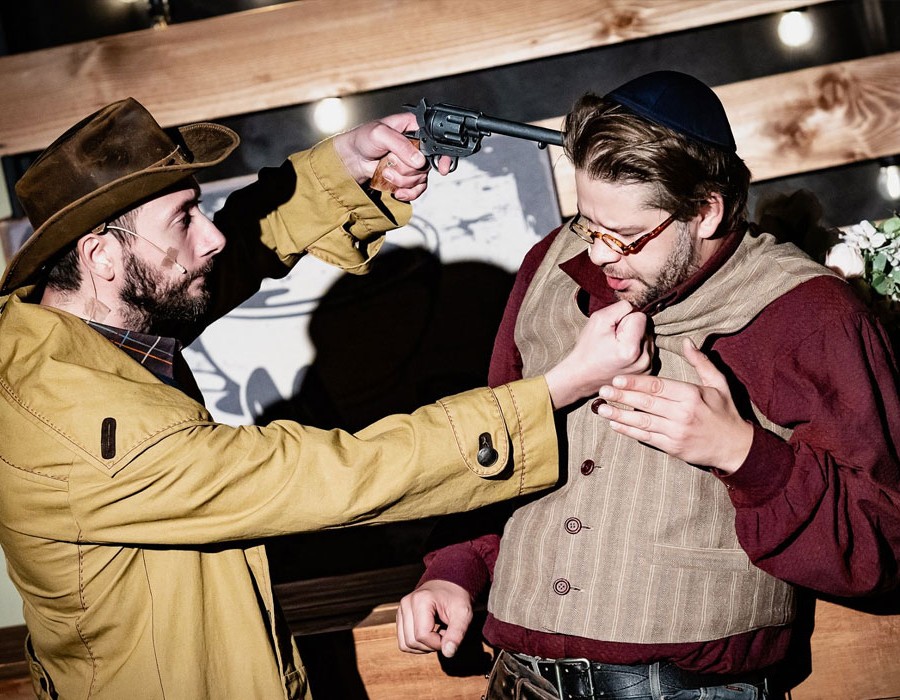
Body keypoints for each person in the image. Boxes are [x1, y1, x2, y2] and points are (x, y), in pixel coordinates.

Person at [0, 98, 633, 700]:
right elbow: (335, 475)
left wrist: (348, 164)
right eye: (184, 219)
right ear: (100, 255)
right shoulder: (79, 427)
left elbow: (240, 246)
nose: (211, 237)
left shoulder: (84, 329)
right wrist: (552, 391)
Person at [397, 71, 900, 700]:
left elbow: (886, 542)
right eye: (588, 224)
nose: (599, 255)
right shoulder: (546, 267)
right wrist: (456, 568)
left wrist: (743, 455)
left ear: (706, 210)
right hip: (515, 680)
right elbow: (500, 442)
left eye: (628, 237)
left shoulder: (810, 316)